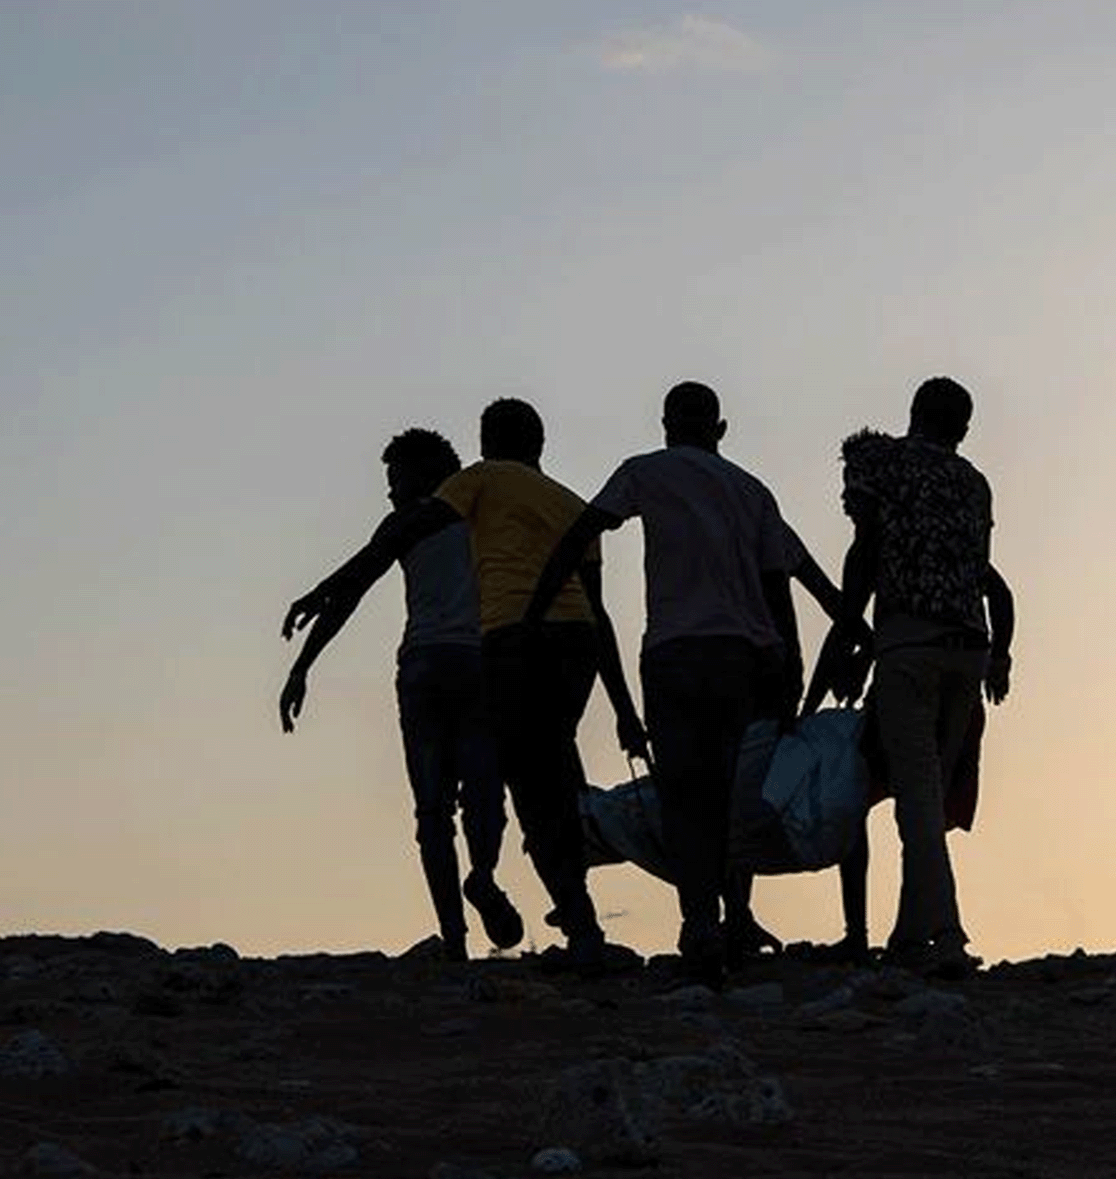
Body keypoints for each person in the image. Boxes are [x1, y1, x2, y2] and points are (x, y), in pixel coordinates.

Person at [285, 399, 641, 972]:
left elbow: (371, 565)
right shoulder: (550, 505)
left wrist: (313, 631)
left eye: (397, 478)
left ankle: (470, 937)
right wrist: (624, 709)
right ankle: (530, 898)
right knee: (516, 786)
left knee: (459, 803)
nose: (390, 492)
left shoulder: (470, 493)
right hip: (529, 654)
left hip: (478, 655)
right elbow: (595, 610)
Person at [526, 381, 851, 985]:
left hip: (675, 653)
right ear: (719, 429)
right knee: (730, 792)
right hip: (745, 659)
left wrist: (535, 610)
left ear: (666, 425)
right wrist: (795, 668)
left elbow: (580, 533)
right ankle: (730, 921)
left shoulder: (644, 471)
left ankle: (700, 924)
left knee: (683, 795)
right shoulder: (752, 491)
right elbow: (783, 585)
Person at [278, 429, 522, 961]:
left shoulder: (419, 519)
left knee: (433, 809)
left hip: (430, 667)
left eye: (396, 479)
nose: (389, 491)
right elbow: (350, 591)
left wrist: (303, 664)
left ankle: (455, 938)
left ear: (426, 472)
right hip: (473, 664)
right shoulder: (482, 510)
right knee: (483, 789)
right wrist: (302, 664)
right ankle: (481, 877)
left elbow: (352, 587)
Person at [818, 376, 1002, 978]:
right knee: (928, 798)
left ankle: (946, 934)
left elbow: (864, 552)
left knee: (918, 800)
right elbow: (985, 576)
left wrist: (847, 643)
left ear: (914, 412)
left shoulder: (882, 462)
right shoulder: (975, 484)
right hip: (968, 647)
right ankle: (908, 934)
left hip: (910, 645)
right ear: (964, 429)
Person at [802, 557, 1014, 963]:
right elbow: (1000, 594)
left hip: (908, 670)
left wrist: (808, 708)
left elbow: (846, 622)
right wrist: (1000, 657)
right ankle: (909, 933)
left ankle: (938, 933)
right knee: (925, 812)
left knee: (875, 801)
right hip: (965, 667)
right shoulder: (945, 536)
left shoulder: (882, 538)